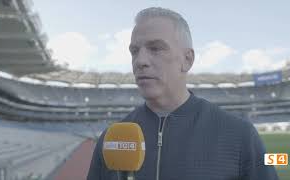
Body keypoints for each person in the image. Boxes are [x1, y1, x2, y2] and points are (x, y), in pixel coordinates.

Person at [87, 7, 279, 180]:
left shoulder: (241, 135)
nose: (140, 60)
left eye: (155, 48)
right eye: (134, 51)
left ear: (187, 60)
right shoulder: (111, 139)